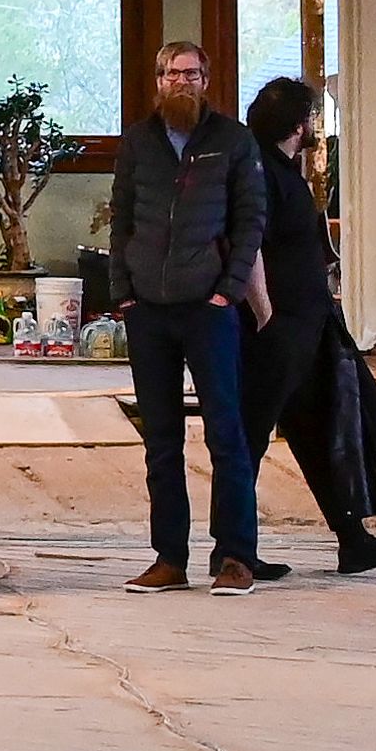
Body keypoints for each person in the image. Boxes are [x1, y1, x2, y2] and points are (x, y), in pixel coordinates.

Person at [233, 78, 376, 579]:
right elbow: (246, 245)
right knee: (248, 437)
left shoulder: (279, 167)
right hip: (276, 326)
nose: (314, 126)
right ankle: (233, 550)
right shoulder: (257, 170)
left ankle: (353, 540)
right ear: (299, 125)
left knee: (327, 427)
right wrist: (265, 313)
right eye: (312, 117)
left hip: (308, 324)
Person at [111, 41, 269, 593]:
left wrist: (228, 291)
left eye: (192, 73)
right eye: (173, 74)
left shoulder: (232, 141)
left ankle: (235, 557)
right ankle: (169, 558)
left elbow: (252, 220)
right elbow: (122, 219)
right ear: (158, 80)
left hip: (209, 309)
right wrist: (123, 291)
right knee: (161, 439)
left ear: (206, 80)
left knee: (226, 433)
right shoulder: (138, 142)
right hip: (148, 311)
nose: (183, 82)